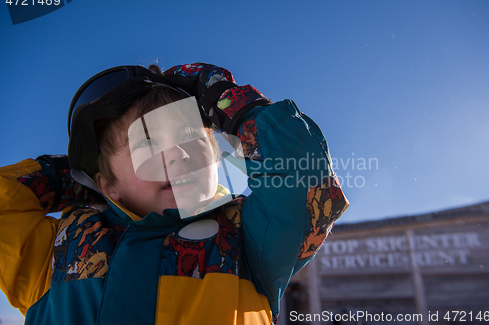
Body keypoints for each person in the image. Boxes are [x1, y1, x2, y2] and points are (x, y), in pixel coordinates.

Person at [0, 63, 349, 324]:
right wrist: (74, 178)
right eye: (147, 143)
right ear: (107, 185)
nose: (177, 154)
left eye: (191, 139)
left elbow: (305, 178)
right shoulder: (58, 252)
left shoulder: (249, 239)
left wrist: (232, 102)